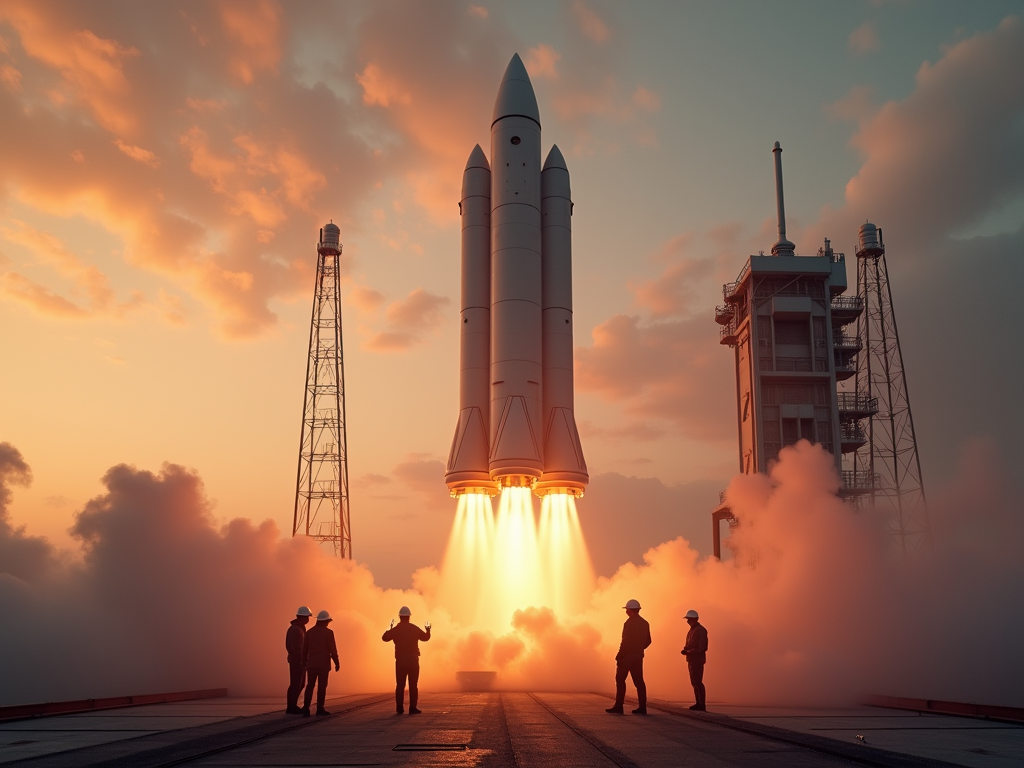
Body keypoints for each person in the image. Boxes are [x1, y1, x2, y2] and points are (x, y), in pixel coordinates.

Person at [381, 606, 431, 715]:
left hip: (400, 662)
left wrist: (390, 628)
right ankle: (412, 708)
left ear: (400, 617)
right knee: (413, 685)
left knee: (400, 685)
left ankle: (399, 708)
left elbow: (385, 638)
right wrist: (428, 629)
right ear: (409, 617)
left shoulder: (396, 630)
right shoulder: (414, 628)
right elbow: (425, 638)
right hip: (413, 661)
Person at [606, 598, 651, 715]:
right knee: (639, 682)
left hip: (627, 657)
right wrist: (639, 649)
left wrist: (620, 655)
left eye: (627, 609)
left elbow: (625, 641)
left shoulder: (628, 623)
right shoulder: (645, 623)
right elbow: (648, 641)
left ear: (630, 610)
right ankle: (642, 708)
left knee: (620, 679)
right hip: (638, 656)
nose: (626, 611)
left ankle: (619, 706)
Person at [301, 610, 340, 716]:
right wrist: (337, 663)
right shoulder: (329, 633)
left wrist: (304, 663)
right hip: (323, 664)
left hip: (311, 664)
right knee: (322, 686)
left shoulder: (309, 632)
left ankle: (306, 707)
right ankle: (320, 708)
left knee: (310, 685)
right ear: (326, 621)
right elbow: (333, 650)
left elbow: (304, 650)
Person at [285, 606, 313, 714]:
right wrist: (302, 659)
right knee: (296, 683)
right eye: (307, 617)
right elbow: (297, 647)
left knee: (299, 684)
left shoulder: (298, 629)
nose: (308, 620)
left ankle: (292, 705)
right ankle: (291, 706)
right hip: (297, 661)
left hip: (299, 660)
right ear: (301, 617)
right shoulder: (296, 630)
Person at [680, 609, 708, 711]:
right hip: (691, 659)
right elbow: (689, 644)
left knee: (698, 682)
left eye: (689, 619)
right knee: (694, 682)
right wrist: (686, 650)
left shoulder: (701, 630)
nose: (687, 621)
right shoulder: (692, 630)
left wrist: (688, 652)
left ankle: (701, 704)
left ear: (694, 619)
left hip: (697, 660)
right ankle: (698, 703)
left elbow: (702, 647)